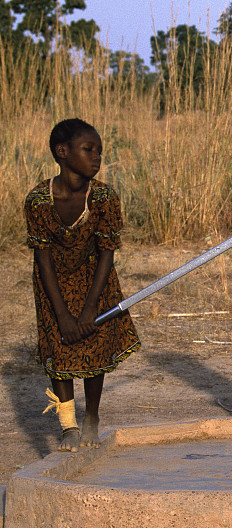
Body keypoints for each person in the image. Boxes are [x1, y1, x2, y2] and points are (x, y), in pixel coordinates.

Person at [24, 118, 140, 452]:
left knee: (91, 344)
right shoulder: (38, 201)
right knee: (60, 348)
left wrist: (90, 308)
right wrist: (61, 313)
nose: (96, 157)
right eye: (88, 149)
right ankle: (68, 426)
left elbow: (107, 252)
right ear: (62, 152)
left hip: (95, 279)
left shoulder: (104, 196)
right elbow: (42, 258)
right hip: (52, 282)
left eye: (99, 150)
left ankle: (91, 417)